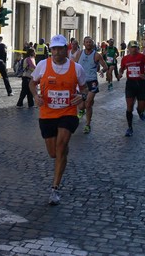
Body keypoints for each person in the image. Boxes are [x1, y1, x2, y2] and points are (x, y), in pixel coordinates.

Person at [30, 35, 88, 205]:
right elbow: (32, 83)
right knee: (53, 153)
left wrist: (81, 96)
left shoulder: (76, 68)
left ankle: (55, 188)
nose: (56, 52)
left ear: (66, 49)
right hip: (47, 114)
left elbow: (86, 88)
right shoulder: (42, 65)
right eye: (54, 49)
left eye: (60, 48)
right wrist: (35, 96)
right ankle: (62, 153)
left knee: (61, 147)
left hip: (68, 113)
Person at [119, 40, 145, 137]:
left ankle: (140, 112)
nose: (134, 49)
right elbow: (122, 68)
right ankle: (130, 127)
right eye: (132, 47)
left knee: (140, 107)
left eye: (136, 47)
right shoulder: (125, 58)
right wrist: (121, 72)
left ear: (138, 48)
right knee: (129, 106)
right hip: (130, 83)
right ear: (128, 48)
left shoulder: (142, 57)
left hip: (140, 83)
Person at [77, 36, 108, 134]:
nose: (88, 44)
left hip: (92, 82)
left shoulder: (97, 55)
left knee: (88, 103)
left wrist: (102, 71)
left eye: (90, 42)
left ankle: (88, 124)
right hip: (81, 83)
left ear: (92, 43)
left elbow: (106, 66)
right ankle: (82, 110)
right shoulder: (80, 53)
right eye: (87, 42)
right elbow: (73, 65)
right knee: (81, 106)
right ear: (84, 43)